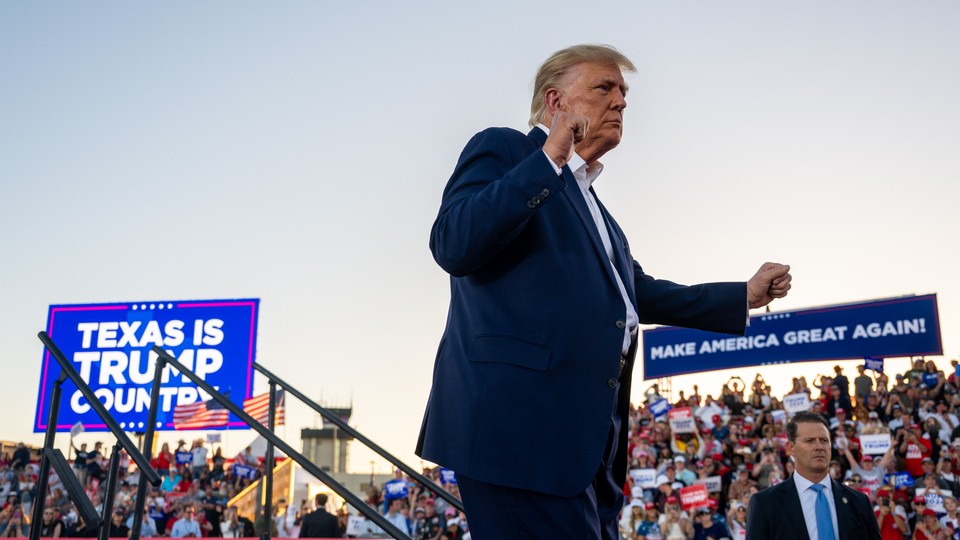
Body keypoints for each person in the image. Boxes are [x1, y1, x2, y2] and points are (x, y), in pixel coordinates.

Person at [416, 43, 792, 540]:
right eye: (604, 88)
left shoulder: (598, 213)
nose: (621, 102)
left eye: (623, 92)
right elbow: (453, 243)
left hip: (586, 446)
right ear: (555, 102)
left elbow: (636, 293)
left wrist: (741, 294)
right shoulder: (506, 150)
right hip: (518, 432)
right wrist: (548, 157)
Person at [746, 411, 880, 540]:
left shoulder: (859, 502)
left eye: (824, 440)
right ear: (791, 448)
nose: (819, 447)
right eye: (810, 441)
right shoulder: (765, 504)